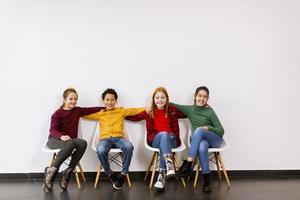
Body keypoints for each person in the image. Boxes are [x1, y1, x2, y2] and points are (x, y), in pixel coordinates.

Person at [126, 87, 186, 192]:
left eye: (163, 97)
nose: (160, 100)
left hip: (172, 140)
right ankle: (169, 166)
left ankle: (162, 175)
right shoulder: (149, 112)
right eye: (157, 97)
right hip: (155, 140)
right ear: (153, 99)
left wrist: (199, 109)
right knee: (163, 135)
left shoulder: (172, 110)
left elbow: (187, 113)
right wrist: (119, 113)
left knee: (165, 138)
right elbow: (133, 117)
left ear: (167, 99)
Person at [43, 88, 103, 191]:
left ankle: (68, 172)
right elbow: (52, 130)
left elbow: (91, 109)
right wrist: (61, 136)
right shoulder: (57, 114)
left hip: (70, 141)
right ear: (64, 99)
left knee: (83, 143)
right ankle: (52, 170)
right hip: (54, 140)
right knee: (71, 143)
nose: (73, 101)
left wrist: (106, 107)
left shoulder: (77, 110)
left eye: (75, 99)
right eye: (70, 99)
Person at [84, 88, 144, 190]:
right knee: (101, 150)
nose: (109, 102)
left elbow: (134, 110)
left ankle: (123, 174)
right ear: (103, 101)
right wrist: (74, 112)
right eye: (107, 100)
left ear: (116, 101)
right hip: (105, 139)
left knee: (129, 146)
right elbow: (85, 115)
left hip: (119, 138)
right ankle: (109, 173)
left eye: (112, 100)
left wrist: (147, 108)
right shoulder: (100, 113)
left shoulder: (121, 111)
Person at [174, 86, 224, 193]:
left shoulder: (210, 112)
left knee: (199, 130)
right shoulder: (190, 110)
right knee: (202, 147)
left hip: (215, 139)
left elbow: (221, 130)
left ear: (207, 99)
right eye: (200, 96)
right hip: (202, 141)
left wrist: (208, 128)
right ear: (195, 97)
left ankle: (188, 162)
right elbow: (173, 105)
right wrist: (155, 104)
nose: (202, 99)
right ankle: (206, 181)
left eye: (205, 97)